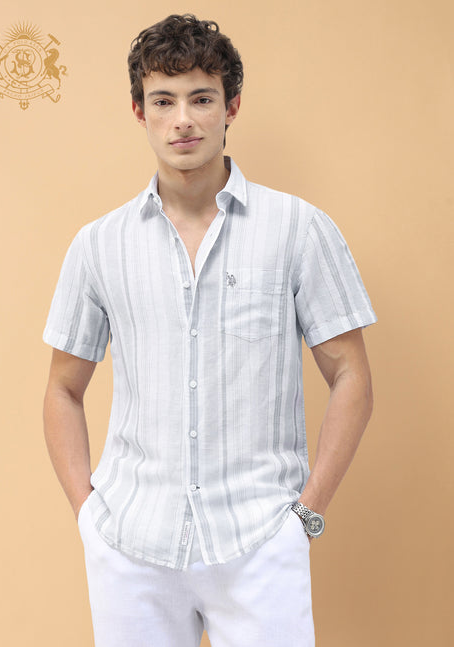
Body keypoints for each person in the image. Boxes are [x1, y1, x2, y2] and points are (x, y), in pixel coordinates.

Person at [42, 13, 377, 647]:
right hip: (131, 545)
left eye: (201, 99)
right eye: (163, 101)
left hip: (260, 541)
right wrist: (88, 515)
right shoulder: (98, 246)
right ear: (139, 111)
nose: (183, 120)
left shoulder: (299, 230)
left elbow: (352, 375)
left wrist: (305, 515)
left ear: (232, 107)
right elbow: (62, 389)